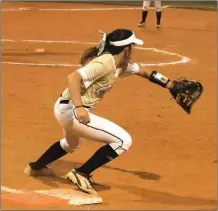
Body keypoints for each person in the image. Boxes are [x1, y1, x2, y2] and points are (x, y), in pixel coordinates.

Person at [24, 29, 202, 194]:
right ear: (126, 49)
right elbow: (73, 77)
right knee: (123, 140)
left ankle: (36, 167)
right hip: (73, 111)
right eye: (132, 45)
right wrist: (79, 107)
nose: (134, 48)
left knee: (71, 145)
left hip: (64, 108)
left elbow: (146, 72)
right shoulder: (104, 63)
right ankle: (81, 173)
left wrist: (170, 84)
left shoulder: (122, 64)